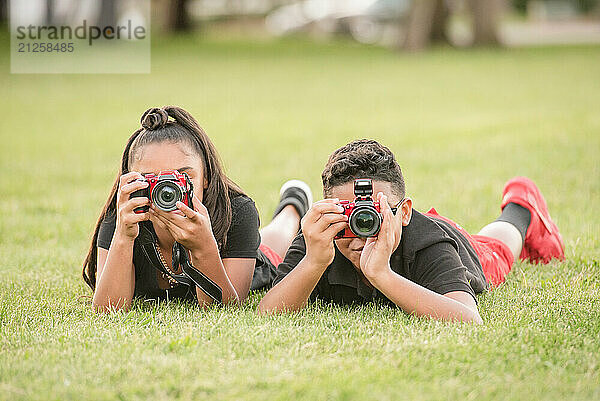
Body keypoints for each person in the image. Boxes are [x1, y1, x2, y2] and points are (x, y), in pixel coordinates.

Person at [258, 139, 565, 323]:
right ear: (327, 209)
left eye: (374, 214)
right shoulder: (322, 238)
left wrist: (381, 273)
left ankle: (522, 203)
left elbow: (468, 319)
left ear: (403, 212)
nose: (361, 230)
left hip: (463, 247)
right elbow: (268, 314)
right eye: (350, 215)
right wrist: (314, 261)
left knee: (497, 249)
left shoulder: (428, 242)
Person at [82, 106, 313, 312]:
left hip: (239, 260)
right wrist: (124, 236)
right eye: (152, 179)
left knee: (278, 236)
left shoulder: (236, 212)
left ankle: (293, 204)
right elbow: (107, 311)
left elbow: (224, 309)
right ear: (131, 181)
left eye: (182, 176)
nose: (167, 189)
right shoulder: (123, 217)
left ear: (206, 178)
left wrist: (204, 248)